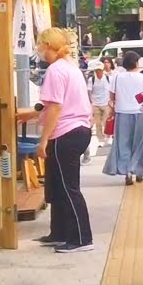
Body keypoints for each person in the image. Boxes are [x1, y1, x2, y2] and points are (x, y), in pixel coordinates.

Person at [33, 27, 94, 254]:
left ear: (47, 45)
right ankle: (59, 232)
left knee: (68, 188)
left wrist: (43, 140)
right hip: (79, 128)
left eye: (39, 44)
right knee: (57, 185)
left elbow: (56, 108)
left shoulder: (56, 70)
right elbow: (52, 105)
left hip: (65, 132)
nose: (38, 49)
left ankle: (81, 238)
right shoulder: (70, 67)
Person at [102, 51, 143, 186]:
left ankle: (127, 172)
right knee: (140, 144)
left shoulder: (117, 77)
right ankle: (139, 170)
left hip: (122, 113)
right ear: (136, 63)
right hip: (140, 113)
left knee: (123, 144)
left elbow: (112, 97)